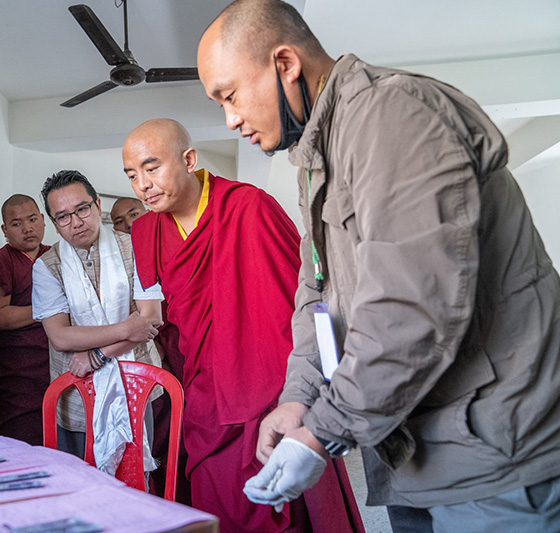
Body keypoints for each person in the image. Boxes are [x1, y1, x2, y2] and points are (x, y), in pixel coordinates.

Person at [198, 1, 560, 531]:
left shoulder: (393, 113)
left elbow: (411, 308)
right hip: (408, 452)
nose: (230, 120)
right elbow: (317, 296)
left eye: (230, 96)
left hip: (496, 457)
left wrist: (324, 429)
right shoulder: (316, 158)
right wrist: (299, 398)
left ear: (285, 64)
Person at [124, 118, 363, 532]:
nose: (143, 184)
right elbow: (169, 325)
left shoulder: (249, 207)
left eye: (152, 167)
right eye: (131, 175)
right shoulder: (146, 231)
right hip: (203, 393)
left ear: (189, 160)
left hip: (268, 386)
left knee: (284, 500)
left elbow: (304, 299)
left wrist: (309, 388)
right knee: (217, 499)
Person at [31, 170, 164, 474]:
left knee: (135, 480)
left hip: (135, 383)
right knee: (78, 482)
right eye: (63, 216)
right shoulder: (46, 266)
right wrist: (127, 328)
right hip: (77, 394)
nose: (76, 222)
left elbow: (151, 320)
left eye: (82, 209)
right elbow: (61, 337)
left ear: (98, 204)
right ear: (53, 222)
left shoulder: (135, 247)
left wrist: (98, 355)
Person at [111, 196, 190, 503]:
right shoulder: (119, 259)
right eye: (119, 221)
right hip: (153, 356)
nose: (128, 224)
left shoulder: (166, 241)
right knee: (161, 440)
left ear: (146, 213)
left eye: (133, 214)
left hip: (184, 343)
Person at [0, 194, 51, 445]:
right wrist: (51, 310)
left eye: (32, 219)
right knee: (13, 443)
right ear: (5, 230)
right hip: (14, 374)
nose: (27, 228)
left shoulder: (56, 256)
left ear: (42, 219)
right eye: (17, 223)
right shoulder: (1, 260)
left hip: (53, 368)